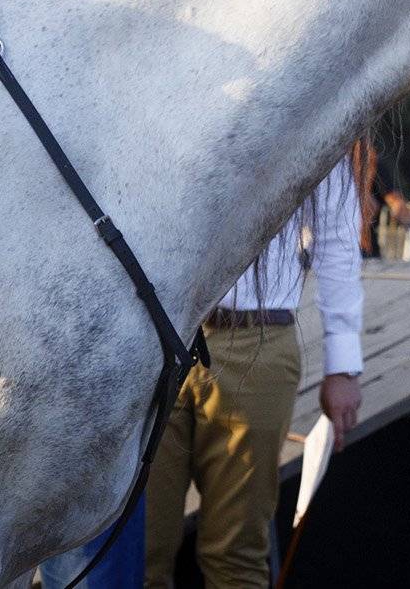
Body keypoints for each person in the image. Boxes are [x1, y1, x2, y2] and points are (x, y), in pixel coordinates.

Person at [144, 152, 366, 589]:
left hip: (258, 341)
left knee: (236, 553)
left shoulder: (312, 103)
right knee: (138, 552)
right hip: (157, 340)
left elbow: (337, 235)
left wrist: (343, 366)